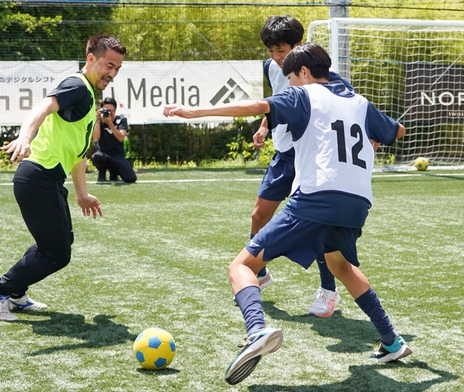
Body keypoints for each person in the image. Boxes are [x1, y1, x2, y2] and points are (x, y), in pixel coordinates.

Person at [163, 43, 410, 385]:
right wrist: (375, 140)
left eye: (291, 77)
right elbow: (397, 131)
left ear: (305, 73)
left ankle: (256, 331)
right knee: (341, 266)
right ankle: (392, 341)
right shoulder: (358, 102)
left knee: (241, 267)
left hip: (317, 198)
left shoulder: (304, 95)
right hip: (357, 203)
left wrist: (196, 113)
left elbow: (257, 106)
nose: (290, 84)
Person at [253, 15, 401, 318]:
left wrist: (372, 137)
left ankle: (327, 290)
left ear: (299, 48)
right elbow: (279, 103)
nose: (276, 58)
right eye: (270, 51)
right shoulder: (271, 68)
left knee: (320, 230)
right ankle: (258, 271)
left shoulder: (329, 78)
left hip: (317, 159)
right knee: (259, 214)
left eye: (281, 51)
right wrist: (265, 126)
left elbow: (353, 112)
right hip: (285, 154)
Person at [0, 34, 125, 321]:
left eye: (117, 69)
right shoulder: (77, 86)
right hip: (36, 178)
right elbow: (43, 107)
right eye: (109, 65)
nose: (112, 73)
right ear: (91, 58)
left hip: (48, 181)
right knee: (56, 253)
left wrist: (82, 194)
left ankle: (17, 293)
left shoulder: (88, 98)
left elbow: (79, 158)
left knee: (60, 243)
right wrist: (24, 136)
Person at [91, 97, 137, 183]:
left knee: (131, 178)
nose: (108, 113)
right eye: (106, 110)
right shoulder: (99, 121)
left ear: (115, 110)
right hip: (103, 154)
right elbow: (95, 138)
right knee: (96, 157)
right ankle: (102, 172)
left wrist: (110, 123)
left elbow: (120, 138)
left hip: (117, 155)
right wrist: (98, 120)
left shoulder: (121, 120)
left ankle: (114, 171)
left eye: (111, 110)